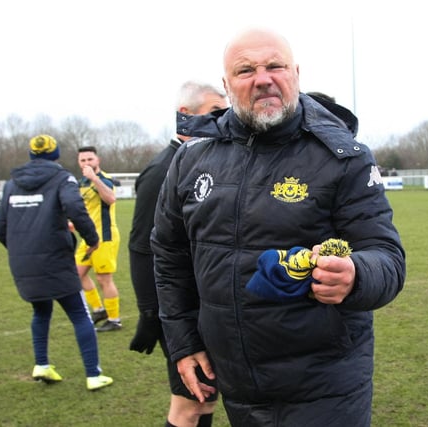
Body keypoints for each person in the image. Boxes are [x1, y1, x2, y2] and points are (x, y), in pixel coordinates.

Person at [151, 28, 406, 426]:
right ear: (226, 84)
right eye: (245, 70)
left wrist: (355, 275)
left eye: (275, 66)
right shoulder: (191, 159)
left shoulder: (343, 157)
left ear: (296, 73)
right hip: (236, 379)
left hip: (325, 384)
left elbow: (387, 258)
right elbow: (170, 256)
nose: (263, 78)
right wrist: (183, 342)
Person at [128, 81, 227, 427]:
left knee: (205, 399)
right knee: (188, 406)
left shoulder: (206, 160)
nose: (223, 119)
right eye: (215, 111)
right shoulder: (162, 171)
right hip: (179, 315)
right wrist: (151, 314)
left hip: (206, 309)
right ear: (185, 115)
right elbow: (142, 248)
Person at [0, 134, 113, 390]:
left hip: (23, 263)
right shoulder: (62, 178)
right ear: (55, 154)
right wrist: (91, 239)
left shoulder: (12, 182)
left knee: (40, 310)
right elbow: (74, 207)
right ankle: (93, 374)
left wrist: (19, 250)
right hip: (56, 260)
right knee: (80, 314)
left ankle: (42, 364)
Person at [75, 146, 122, 332]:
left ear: (98, 160)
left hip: (105, 237)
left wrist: (94, 178)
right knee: (76, 274)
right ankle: (99, 309)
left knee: (104, 279)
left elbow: (110, 199)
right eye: (83, 160)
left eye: (89, 159)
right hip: (87, 237)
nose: (86, 163)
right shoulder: (81, 184)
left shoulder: (104, 180)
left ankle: (114, 319)